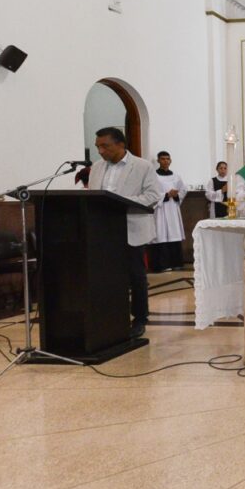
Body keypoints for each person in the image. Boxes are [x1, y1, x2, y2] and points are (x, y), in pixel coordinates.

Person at [87, 127, 163, 338]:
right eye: (98, 147)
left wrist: (122, 204)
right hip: (103, 231)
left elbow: (153, 195)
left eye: (105, 146)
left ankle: (139, 318)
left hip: (132, 227)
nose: (101, 151)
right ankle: (111, 315)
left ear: (121, 144)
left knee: (135, 276)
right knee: (107, 276)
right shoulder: (97, 167)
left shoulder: (142, 166)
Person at [147, 151, 187, 272]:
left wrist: (176, 195)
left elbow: (183, 189)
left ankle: (176, 263)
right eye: (163, 159)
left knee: (174, 234)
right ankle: (161, 265)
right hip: (160, 209)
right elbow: (151, 192)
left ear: (170, 161)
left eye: (167, 159)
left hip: (173, 208)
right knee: (161, 234)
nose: (165, 161)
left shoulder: (176, 176)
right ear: (158, 161)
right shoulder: (153, 176)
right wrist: (165, 195)